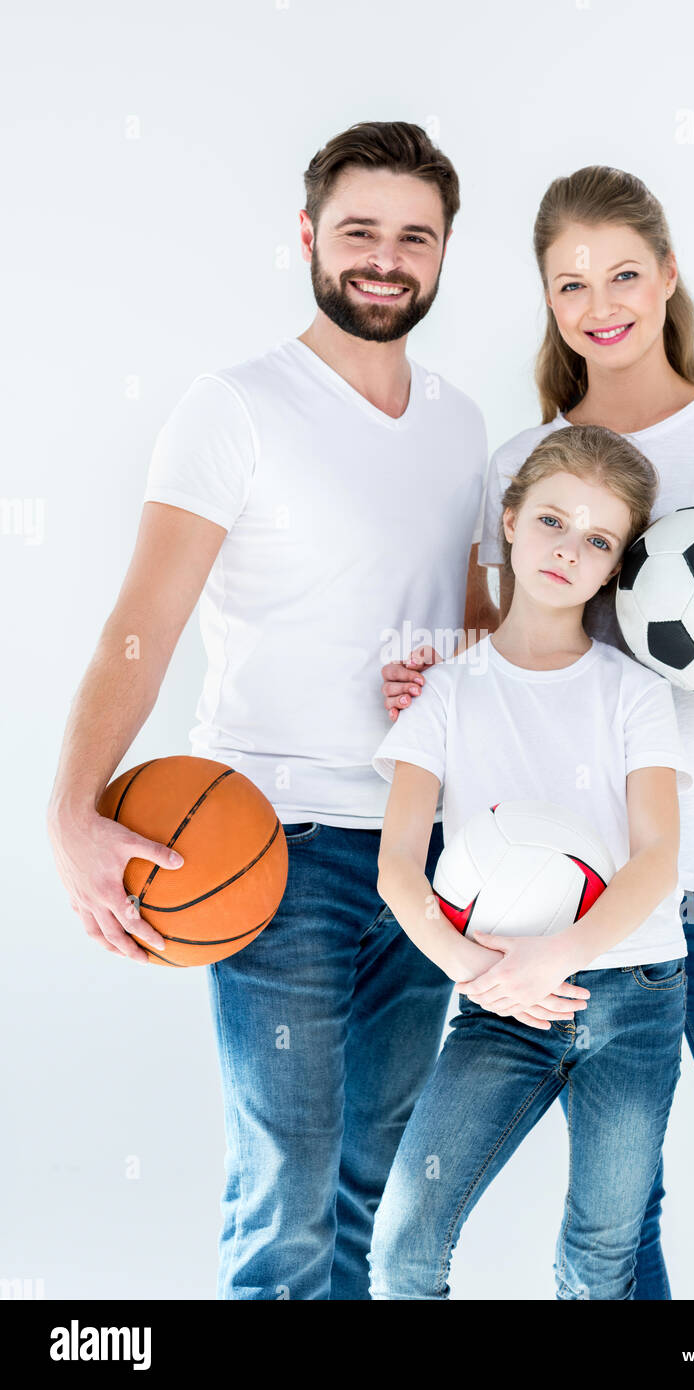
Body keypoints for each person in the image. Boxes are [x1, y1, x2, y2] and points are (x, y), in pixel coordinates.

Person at [45, 120, 498, 1301]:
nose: (385, 258)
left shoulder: (461, 425)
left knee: (372, 1186)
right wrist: (68, 815)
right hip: (267, 848)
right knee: (286, 1192)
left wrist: (453, 665)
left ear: (447, 251)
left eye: (415, 235)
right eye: (359, 231)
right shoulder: (233, 406)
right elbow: (138, 627)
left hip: (424, 849)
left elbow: (482, 639)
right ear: (308, 236)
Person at [381, 165, 694, 1300]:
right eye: (572, 284)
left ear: (670, 273)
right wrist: (431, 677)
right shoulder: (526, 466)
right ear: (547, 301)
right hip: (576, 874)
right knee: (619, 1217)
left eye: (625, 273)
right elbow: (500, 645)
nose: (603, 303)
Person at [369, 424, 694, 1299]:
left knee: (597, 1264)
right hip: (494, 999)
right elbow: (398, 865)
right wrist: (478, 972)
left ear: (615, 565)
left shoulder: (634, 692)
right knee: (405, 1244)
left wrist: (558, 955)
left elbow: (658, 857)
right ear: (508, 522)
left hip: (632, 996)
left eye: (597, 540)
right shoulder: (442, 692)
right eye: (552, 520)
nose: (567, 550)